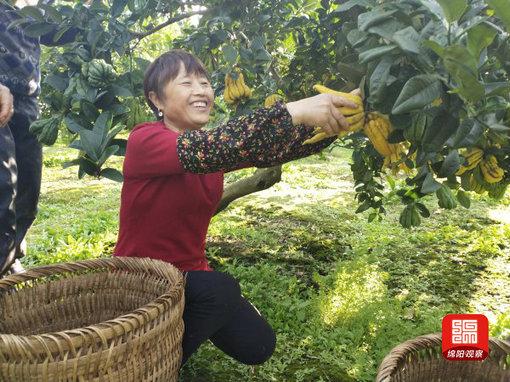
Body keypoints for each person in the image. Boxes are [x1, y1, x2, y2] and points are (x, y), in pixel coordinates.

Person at [113, 49, 358, 368]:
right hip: (141, 276)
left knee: (258, 344)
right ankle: (146, 366)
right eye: (186, 83)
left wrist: (340, 118)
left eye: (204, 82)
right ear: (157, 100)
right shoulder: (146, 140)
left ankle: (162, 336)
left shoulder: (213, 152)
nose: (201, 90)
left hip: (189, 275)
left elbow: (268, 147)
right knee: (221, 291)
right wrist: (294, 110)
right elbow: (215, 147)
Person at [0, 0, 77, 276]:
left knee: (27, 187)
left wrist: (84, 11)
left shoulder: (35, 9)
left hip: (28, 103)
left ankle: (10, 254)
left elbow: (61, 32)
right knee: (2, 187)